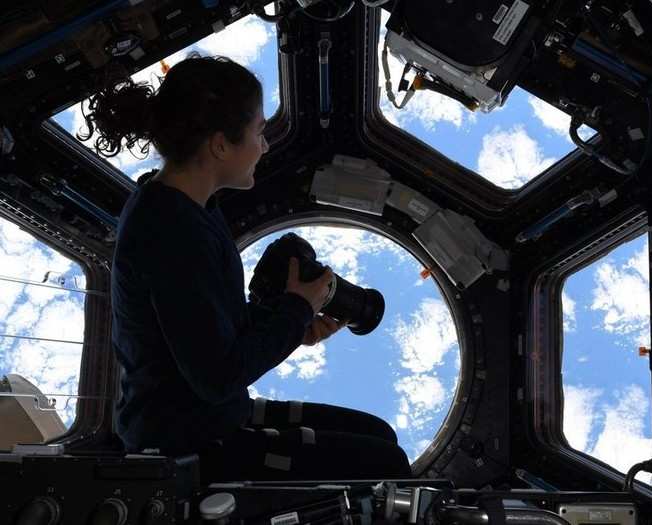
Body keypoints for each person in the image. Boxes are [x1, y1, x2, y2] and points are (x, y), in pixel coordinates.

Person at [80, 54, 411, 481]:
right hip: (185, 439)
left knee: (378, 433)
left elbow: (206, 322)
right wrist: (293, 314)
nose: (266, 144)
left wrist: (293, 320)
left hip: (208, 411)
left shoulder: (188, 207)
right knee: (389, 464)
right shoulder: (170, 234)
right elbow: (218, 376)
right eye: (258, 131)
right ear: (220, 145)